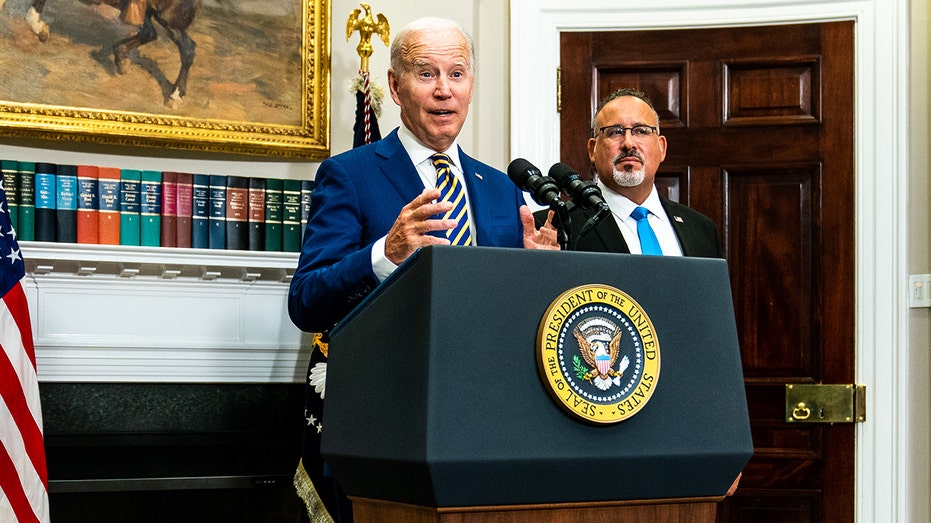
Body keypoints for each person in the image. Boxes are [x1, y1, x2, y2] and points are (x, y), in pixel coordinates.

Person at [288, 17, 558, 523]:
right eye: (426, 73)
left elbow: (509, 313)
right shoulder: (349, 174)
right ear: (394, 85)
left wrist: (536, 276)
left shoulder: (500, 188)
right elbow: (305, 301)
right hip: (388, 424)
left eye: (457, 74)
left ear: (471, 87)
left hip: (485, 423)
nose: (443, 90)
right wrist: (383, 255)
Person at [537, 87, 724, 258]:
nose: (628, 143)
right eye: (615, 132)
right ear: (592, 150)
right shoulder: (554, 227)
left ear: (662, 148)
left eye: (641, 131)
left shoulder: (701, 229)